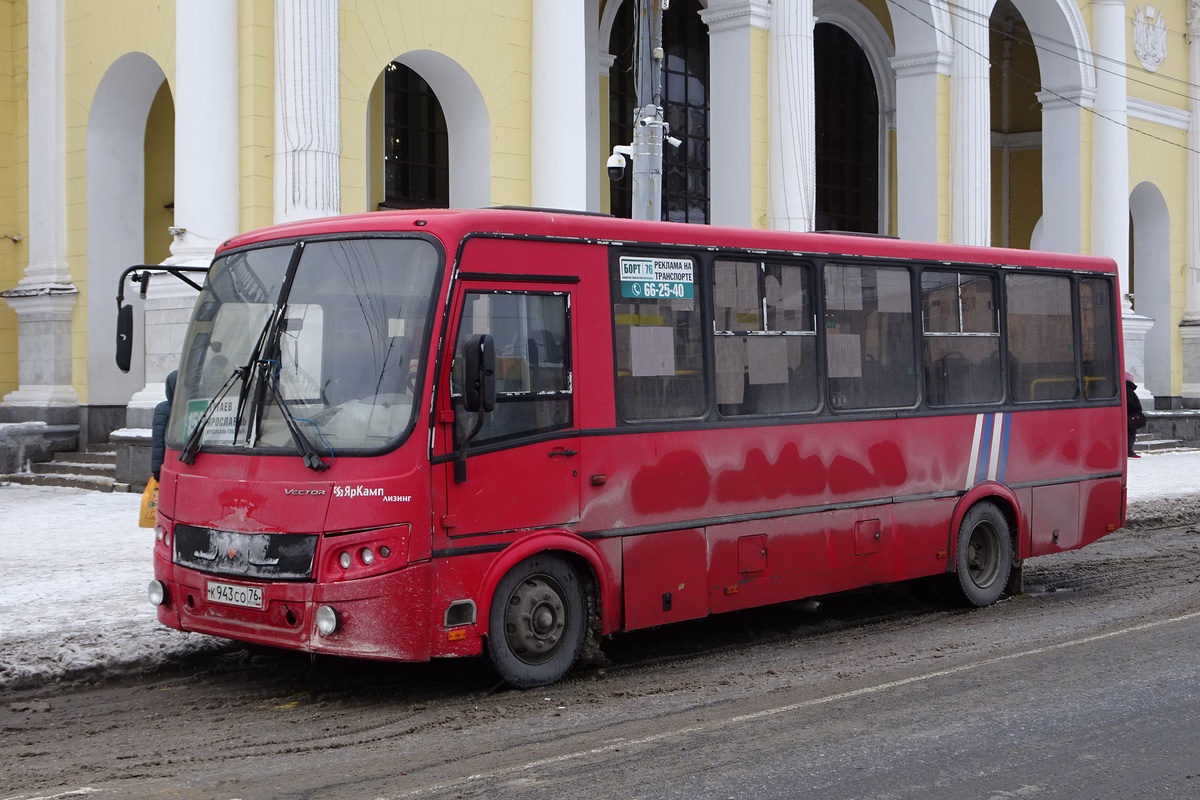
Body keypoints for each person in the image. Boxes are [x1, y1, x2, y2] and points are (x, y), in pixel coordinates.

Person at [150, 370, 177, 481]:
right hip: (171, 460)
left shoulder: (163, 408)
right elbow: (159, 441)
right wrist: (157, 469)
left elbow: (158, 442)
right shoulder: (164, 409)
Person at [1125, 371, 1146, 459]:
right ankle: (1129, 451)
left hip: (1129, 416)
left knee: (1129, 434)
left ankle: (1129, 451)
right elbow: (1130, 404)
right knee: (1130, 435)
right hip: (1131, 416)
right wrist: (1137, 409)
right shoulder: (1129, 390)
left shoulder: (1126, 389)